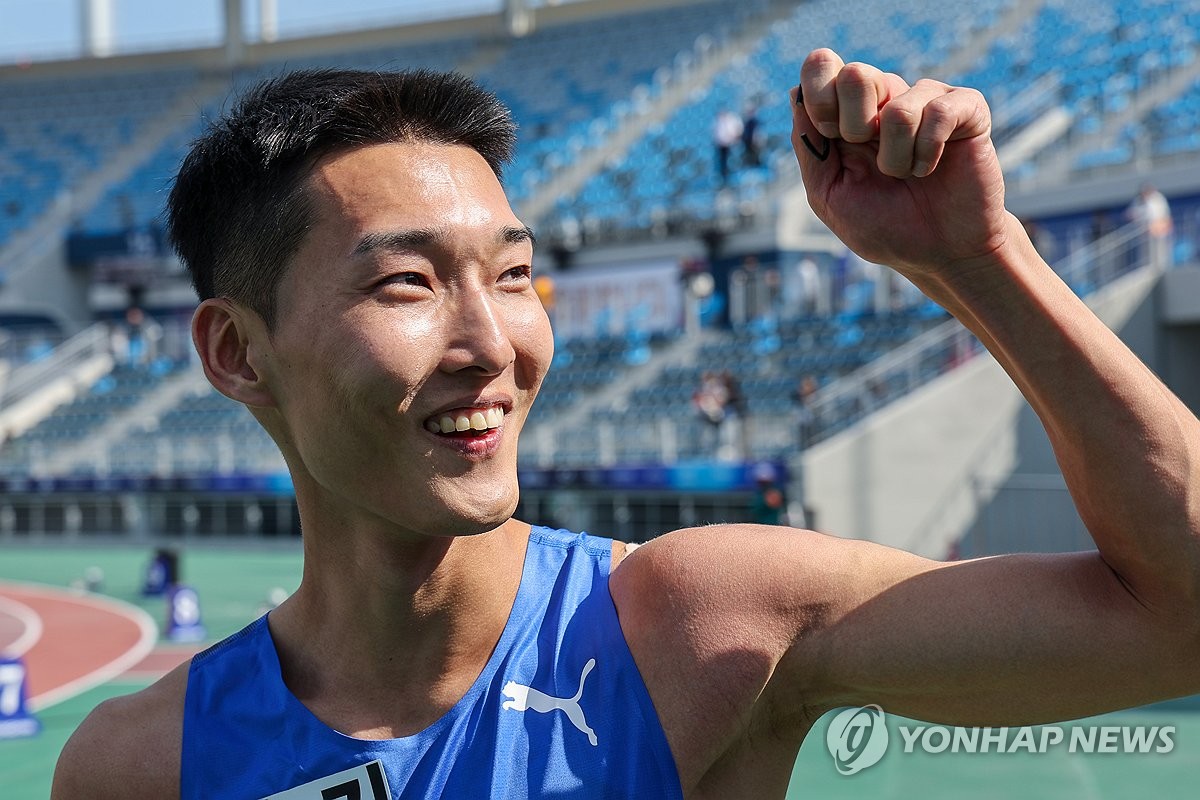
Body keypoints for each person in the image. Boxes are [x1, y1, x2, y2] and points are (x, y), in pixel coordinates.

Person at [53, 51, 1200, 799]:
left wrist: (978, 261)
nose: (494, 343)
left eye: (512, 276)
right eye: (406, 283)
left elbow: (1177, 612)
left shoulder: (694, 627)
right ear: (236, 351)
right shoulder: (136, 767)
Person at [712, 107, 742, 185]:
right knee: (722, 161)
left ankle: (733, 175)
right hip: (721, 144)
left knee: (732, 159)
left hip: (730, 143)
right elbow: (716, 133)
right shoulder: (717, 121)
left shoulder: (731, 120)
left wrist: (734, 138)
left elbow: (737, 130)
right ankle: (724, 176)